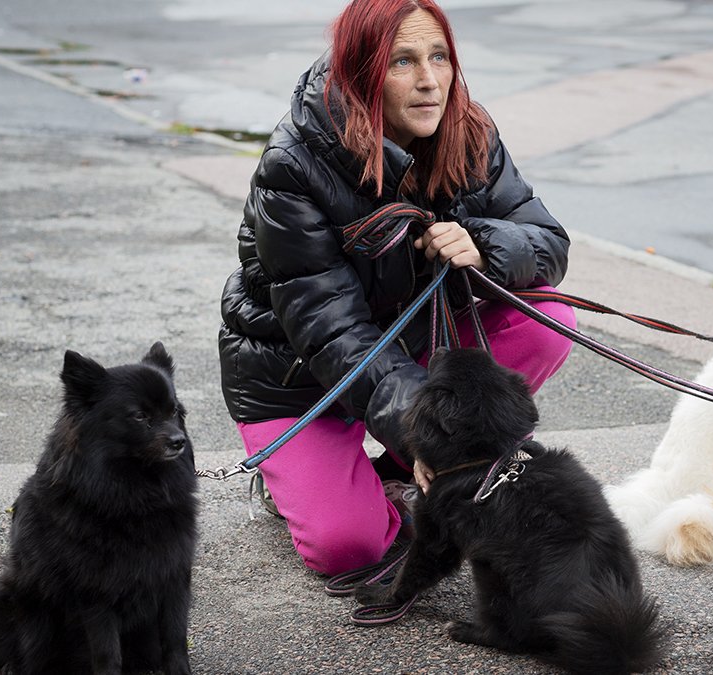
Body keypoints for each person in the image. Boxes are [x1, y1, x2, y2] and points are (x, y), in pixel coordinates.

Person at [217, 0, 575, 577]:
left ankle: (397, 472)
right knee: (348, 549)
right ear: (364, 71)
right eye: (403, 62)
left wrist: (485, 242)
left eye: (440, 57)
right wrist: (428, 434)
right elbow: (335, 335)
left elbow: (548, 243)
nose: (430, 81)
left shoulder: (470, 130)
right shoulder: (294, 165)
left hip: (411, 346)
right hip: (300, 379)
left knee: (546, 318)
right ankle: (293, 476)